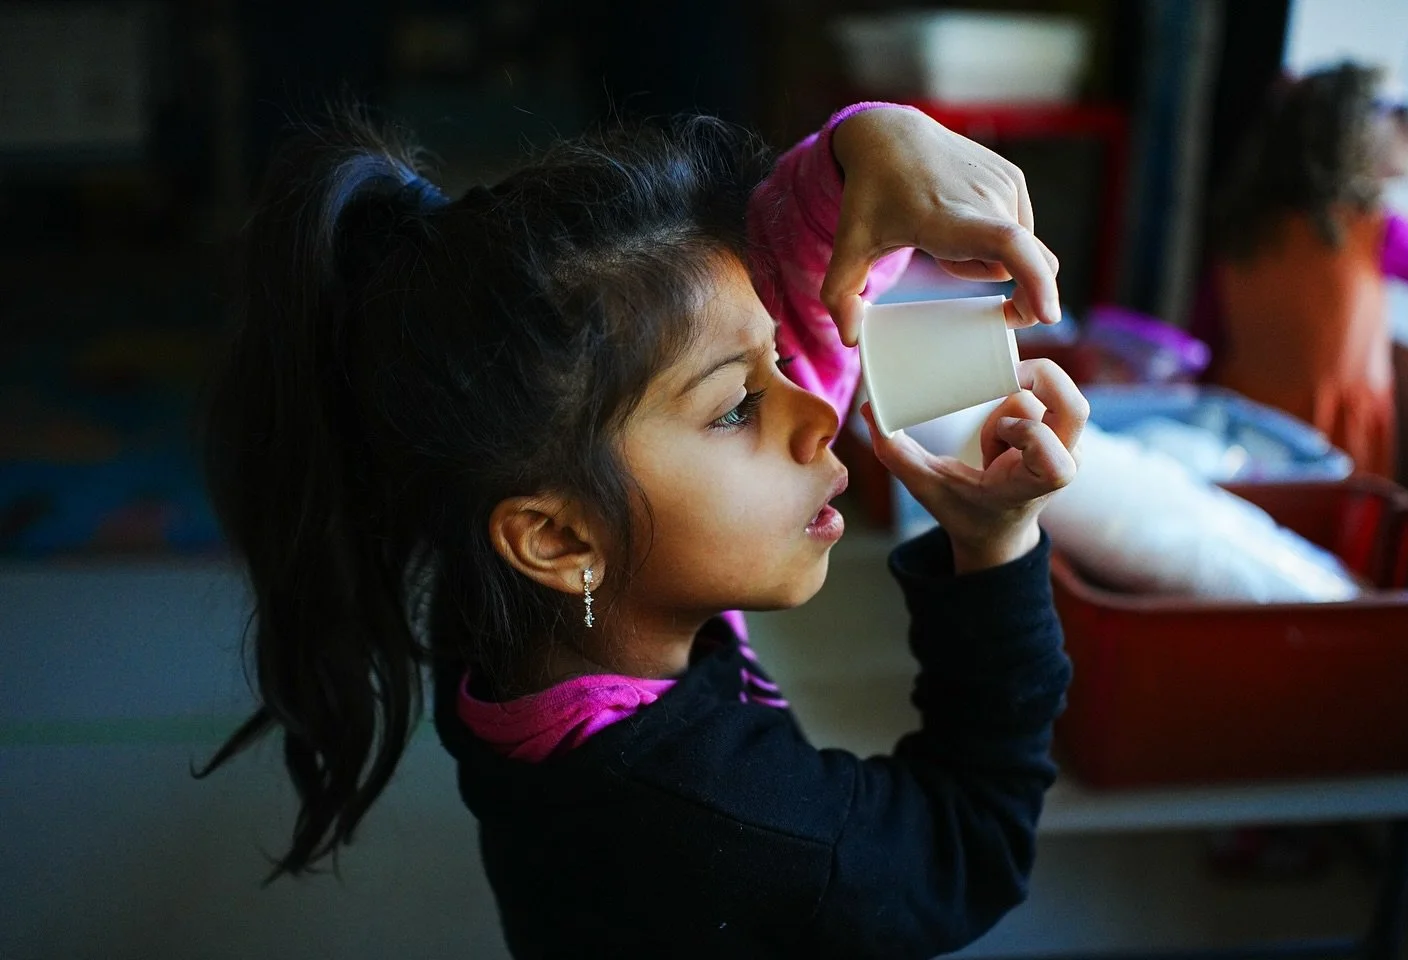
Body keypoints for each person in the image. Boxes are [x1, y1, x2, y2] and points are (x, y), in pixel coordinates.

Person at [197, 101, 1086, 958]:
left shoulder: (530, 608)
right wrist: (998, 548)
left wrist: (864, 147)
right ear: (558, 538)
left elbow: (773, 315)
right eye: (741, 407)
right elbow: (970, 843)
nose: (818, 408)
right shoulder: (734, 819)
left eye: (773, 359)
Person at [1197, 61, 1408, 477]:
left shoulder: (1247, 223)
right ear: (1353, 135)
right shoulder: (1375, 232)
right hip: (1332, 443)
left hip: (1242, 421)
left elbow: (1205, 332)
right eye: (1401, 112)